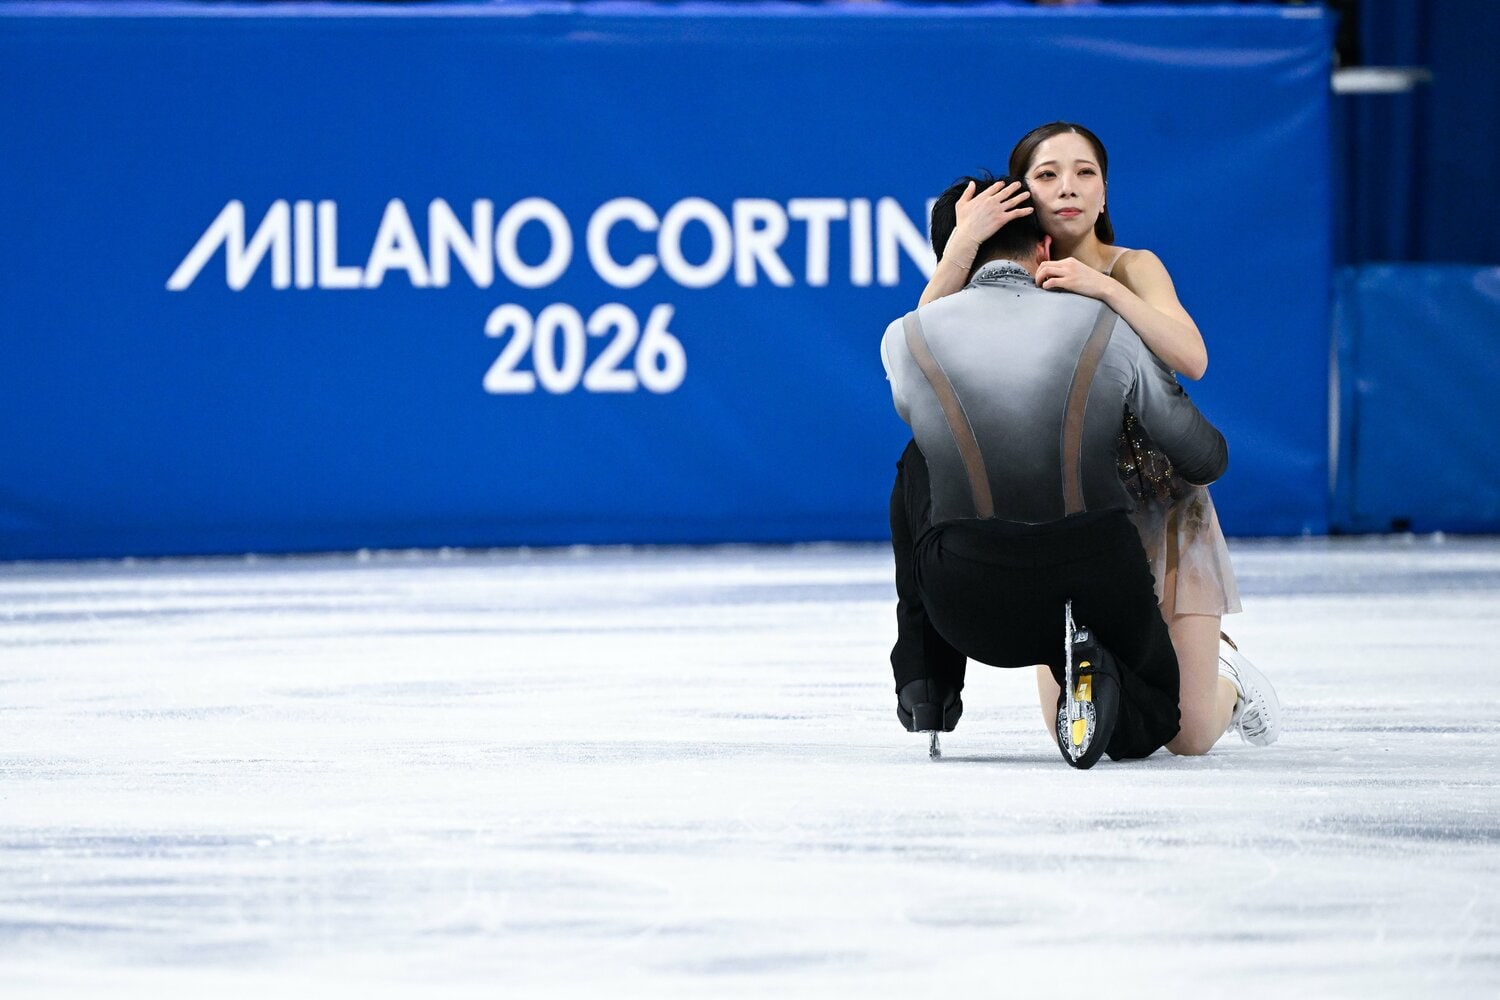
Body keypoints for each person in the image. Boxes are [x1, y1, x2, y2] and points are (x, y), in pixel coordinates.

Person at [914, 123, 1280, 753]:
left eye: (1085, 173)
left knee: (1187, 737)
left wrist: (1102, 288)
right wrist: (962, 246)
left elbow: (1192, 357)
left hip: (1159, 493)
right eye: (1048, 174)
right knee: (1087, 732)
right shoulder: (1007, 276)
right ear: (1020, 193)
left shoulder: (1132, 266)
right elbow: (922, 346)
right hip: (1055, 506)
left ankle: (1228, 681)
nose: (1069, 188)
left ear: (1106, 192)